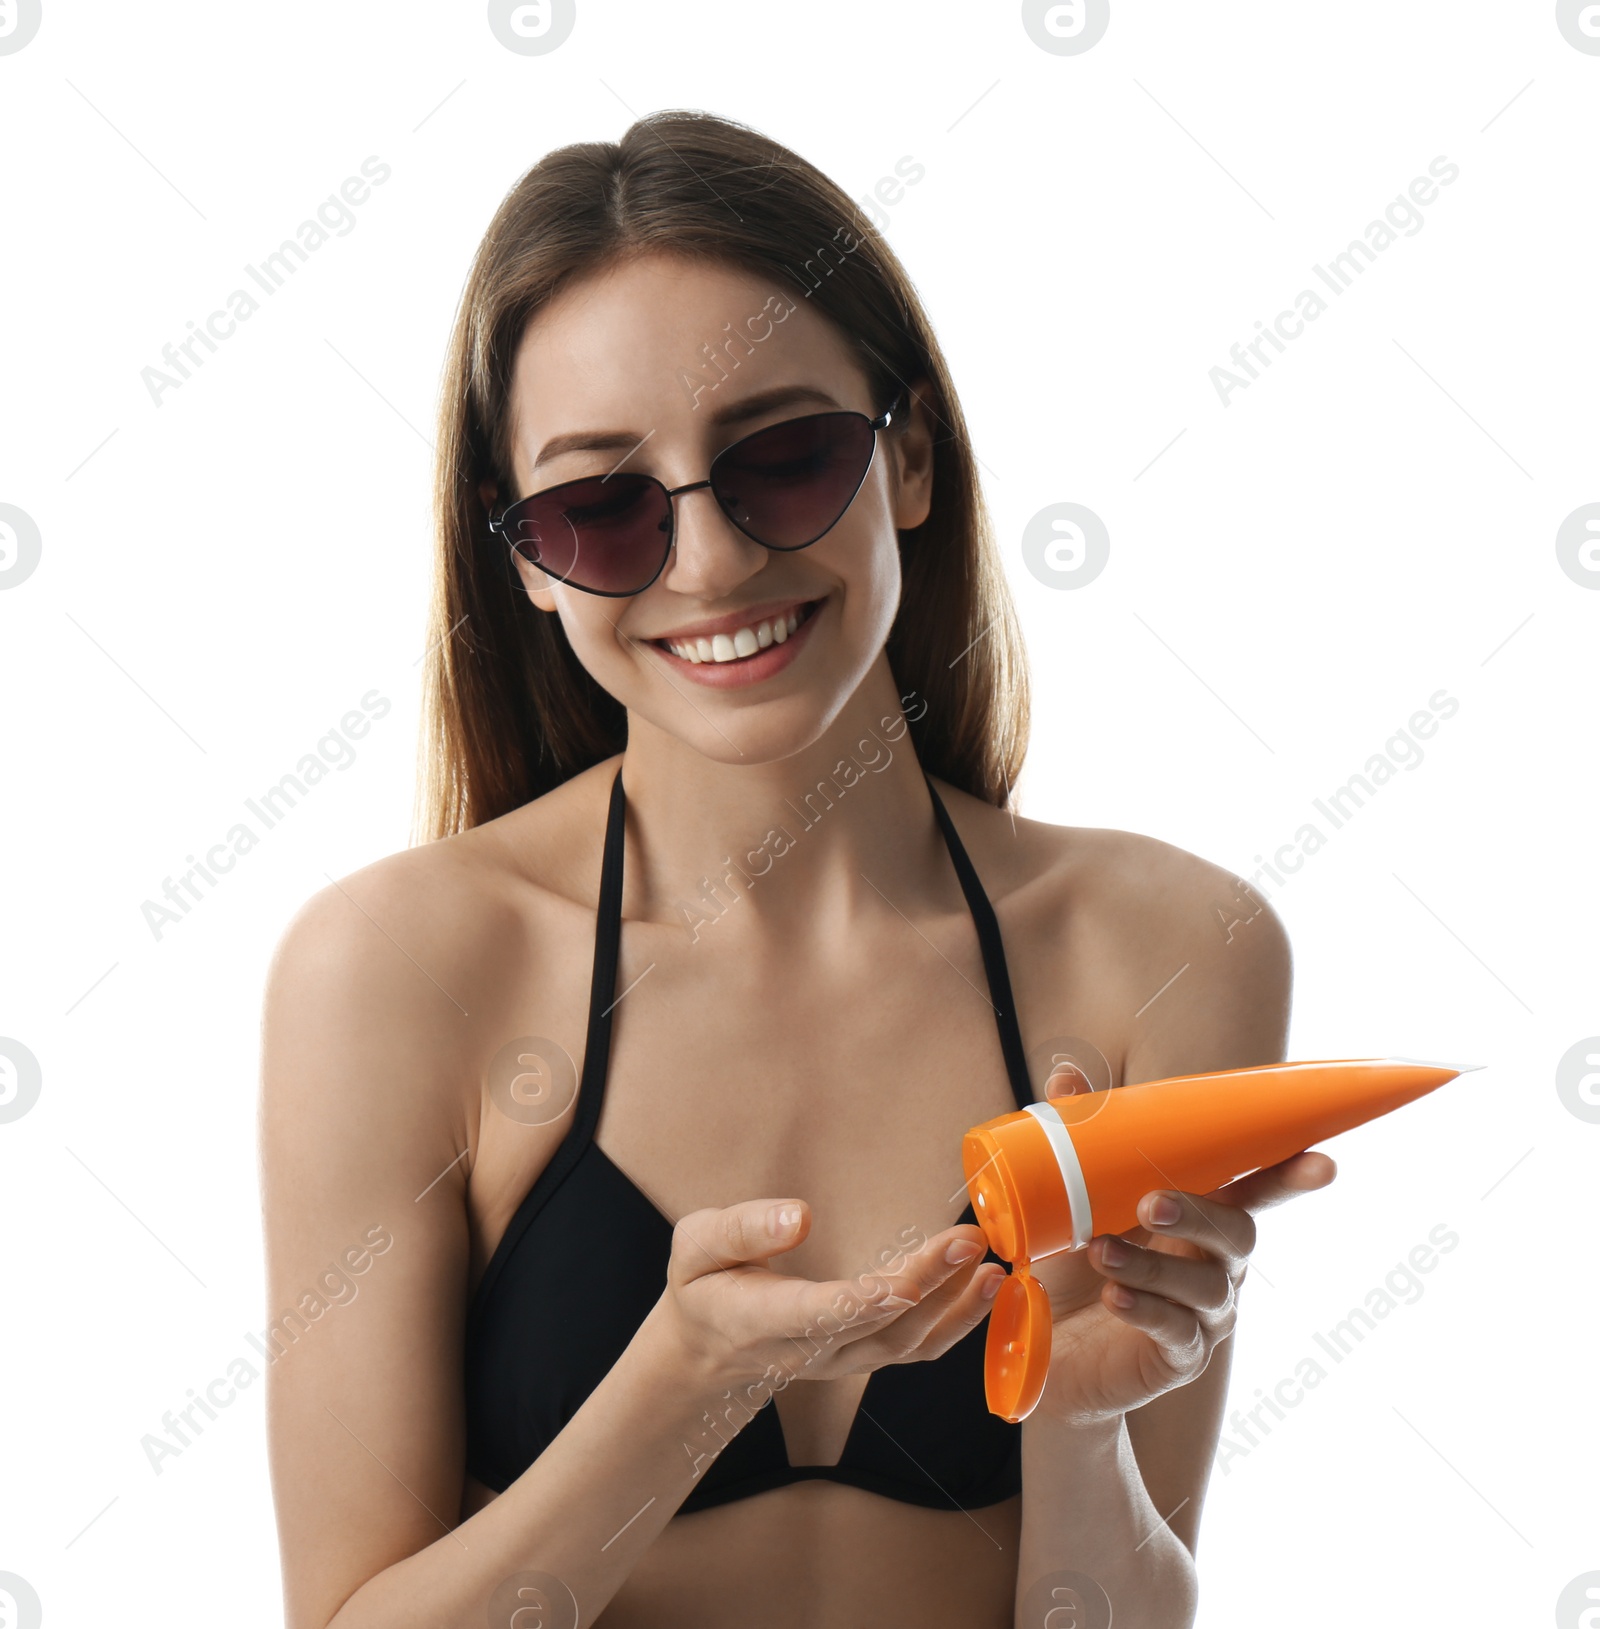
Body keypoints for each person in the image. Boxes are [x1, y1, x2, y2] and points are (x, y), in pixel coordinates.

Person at [259, 109, 1334, 1629]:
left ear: (906, 461)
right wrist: (684, 1383)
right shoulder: (398, 967)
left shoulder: (1170, 947)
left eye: (784, 458)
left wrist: (1081, 1422)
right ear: (525, 559)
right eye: (601, 505)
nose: (707, 566)